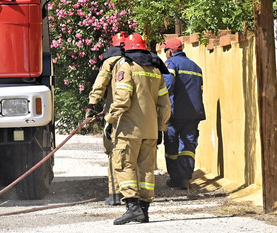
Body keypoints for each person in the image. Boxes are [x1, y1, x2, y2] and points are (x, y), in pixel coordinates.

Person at [104, 33, 171, 225]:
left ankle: (132, 208)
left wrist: (110, 119)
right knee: (146, 169)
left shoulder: (128, 67)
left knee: (124, 165)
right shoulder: (156, 70)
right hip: (150, 131)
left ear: (128, 50)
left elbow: (123, 98)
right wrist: (160, 127)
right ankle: (144, 210)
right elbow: (165, 105)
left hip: (128, 129)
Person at [86, 33, 129, 206]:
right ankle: (134, 195)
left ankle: (115, 194)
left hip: (115, 116)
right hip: (138, 118)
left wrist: (91, 106)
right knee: (133, 155)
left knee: (113, 153)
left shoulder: (110, 63)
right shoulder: (141, 63)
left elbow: (100, 86)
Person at [161, 37, 205, 190]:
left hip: (175, 113)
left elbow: (167, 86)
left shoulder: (171, 64)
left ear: (170, 52)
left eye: (165, 50)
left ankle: (175, 179)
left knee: (171, 144)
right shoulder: (196, 67)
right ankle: (185, 178)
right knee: (188, 146)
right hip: (194, 114)